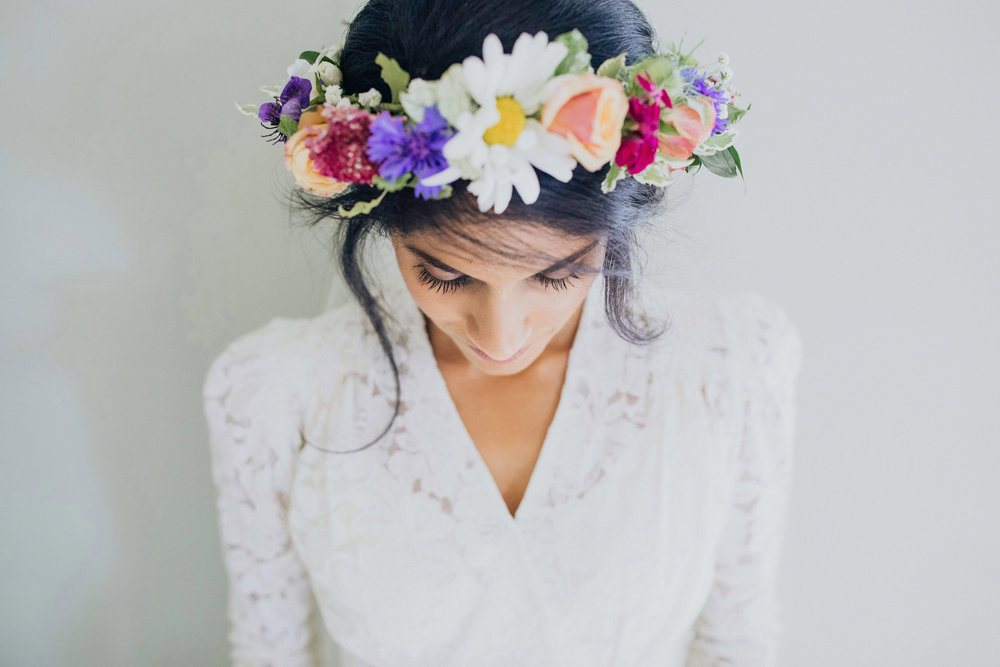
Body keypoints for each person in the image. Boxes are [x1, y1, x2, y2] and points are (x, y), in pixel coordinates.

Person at [203, 0, 804, 665]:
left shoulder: (731, 367)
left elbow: (737, 644)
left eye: (556, 275)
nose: (500, 334)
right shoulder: (271, 393)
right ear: (382, 225)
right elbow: (270, 652)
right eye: (446, 277)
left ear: (613, 228)